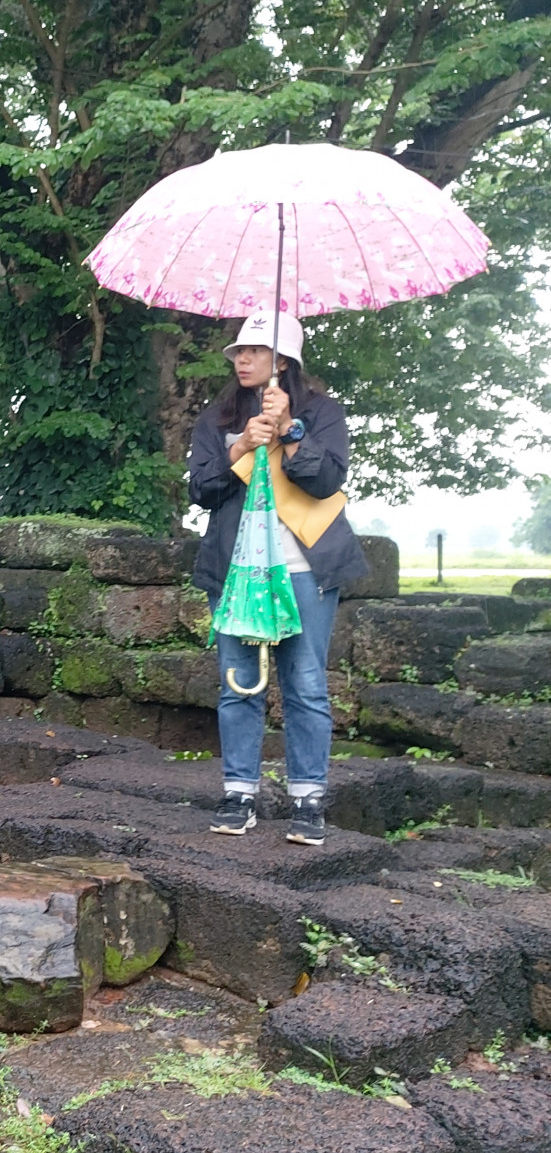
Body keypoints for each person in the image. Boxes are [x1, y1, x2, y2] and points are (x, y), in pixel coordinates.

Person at [187, 311, 369, 847]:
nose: (240, 359)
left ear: (281, 362)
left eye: (253, 351)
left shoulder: (323, 412)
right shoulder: (216, 419)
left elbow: (327, 480)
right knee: (237, 682)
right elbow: (202, 489)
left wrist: (290, 433)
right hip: (237, 572)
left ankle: (308, 799)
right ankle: (238, 792)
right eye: (237, 353)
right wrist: (241, 445)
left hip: (305, 569)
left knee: (307, 683)